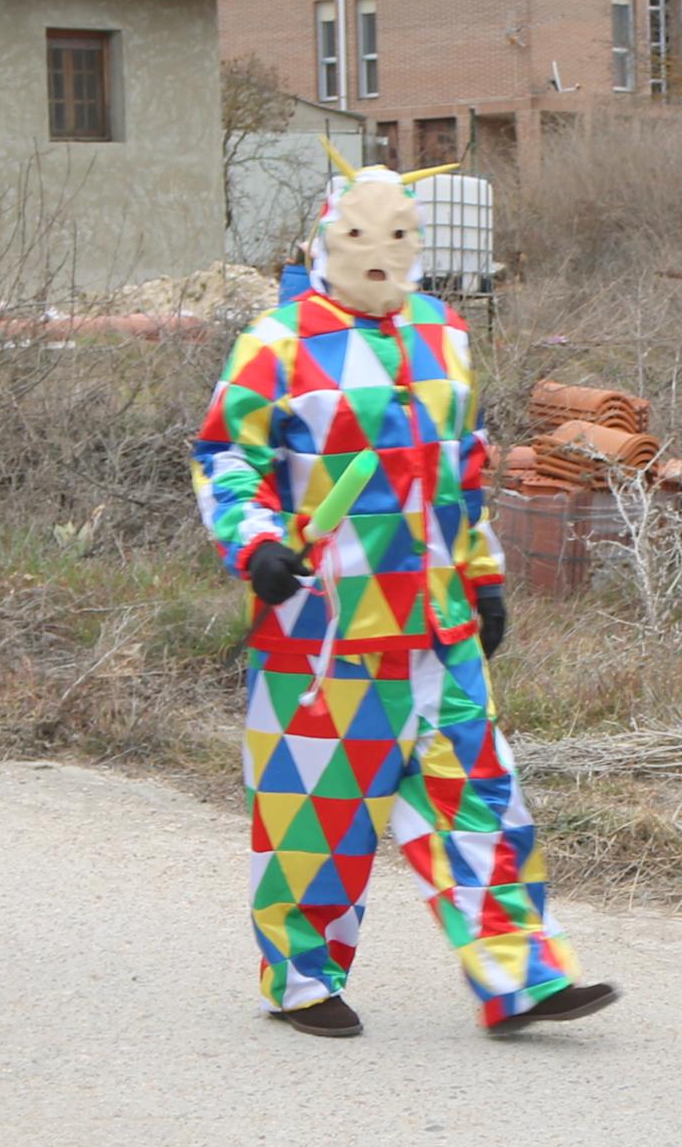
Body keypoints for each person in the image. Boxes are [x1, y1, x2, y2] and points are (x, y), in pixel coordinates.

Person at [190, 162, 615, 1039]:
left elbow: (461, 466)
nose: (381, 260)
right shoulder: (277, 341)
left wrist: (485, 574)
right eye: (360, 239)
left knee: (480, 799)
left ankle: (522, 974)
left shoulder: (441, 334)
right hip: (322, 633)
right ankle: (302, 978)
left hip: (434, 621)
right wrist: (257, 542)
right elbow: (227, 458)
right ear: (325, 240)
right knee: (318, 816)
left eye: (399, 239)